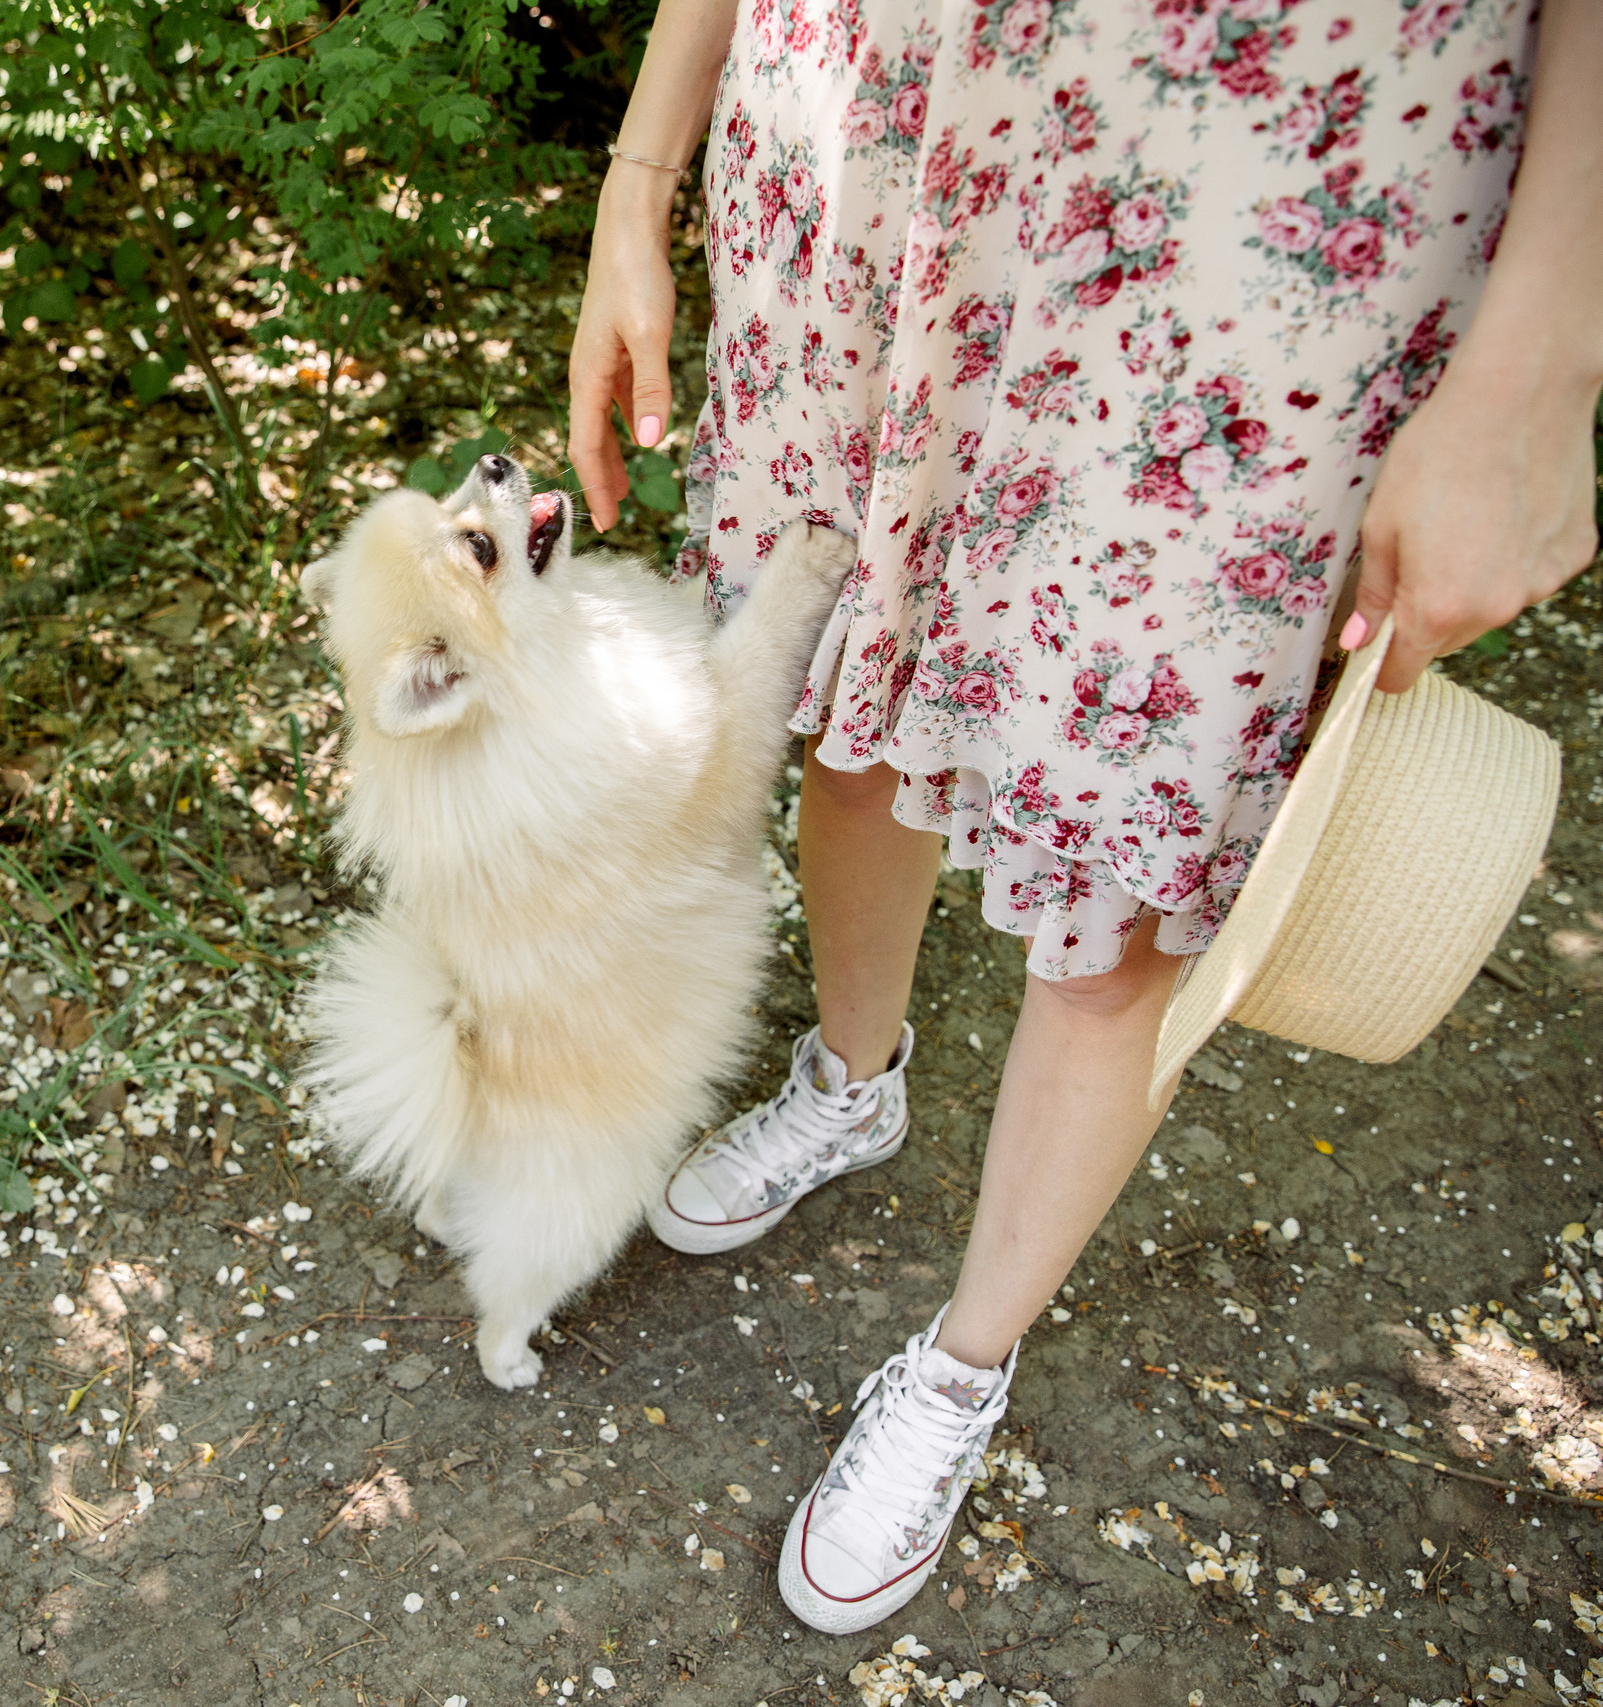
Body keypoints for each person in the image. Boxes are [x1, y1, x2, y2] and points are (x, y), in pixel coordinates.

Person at [569, 0, 1599, 1635]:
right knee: (838, 692)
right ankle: (852, 1083)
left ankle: (964, 1364)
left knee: (1135, 837)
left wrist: (1543, 361)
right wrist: (642, 177)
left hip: (1260, 182)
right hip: (869, 131)